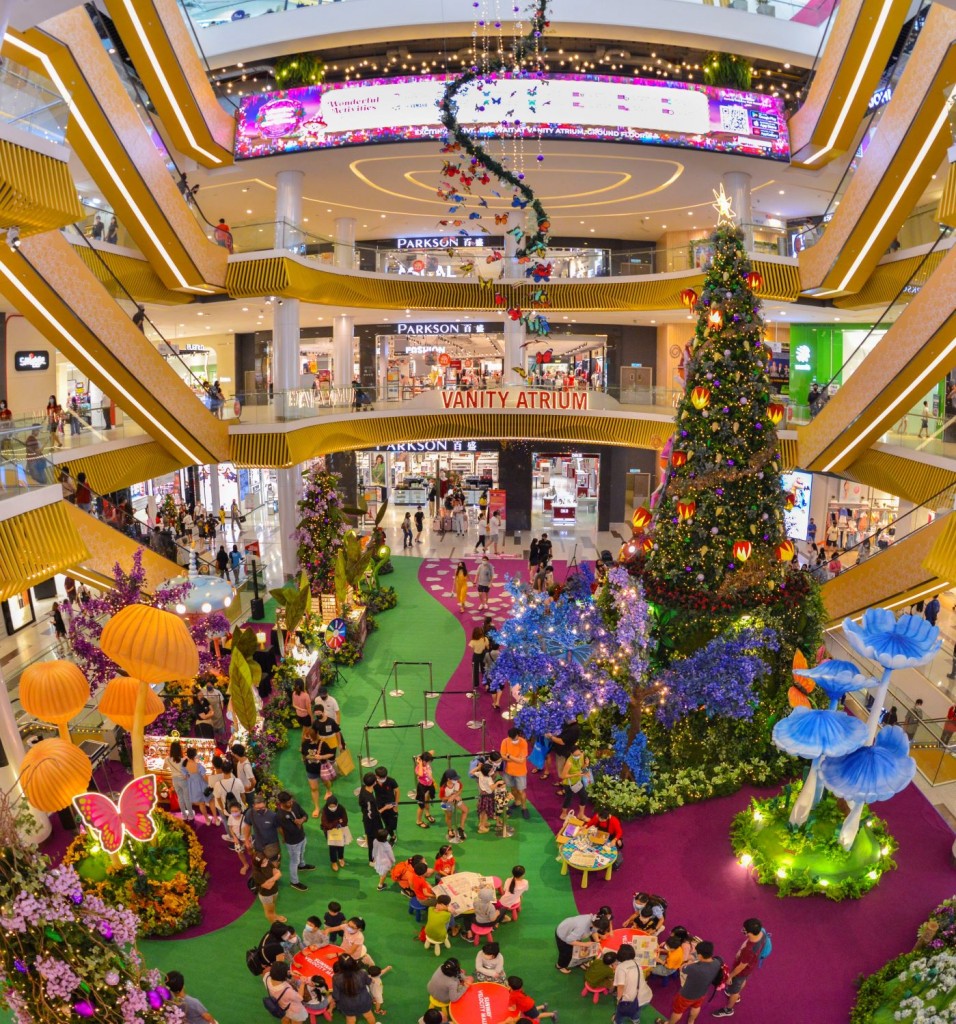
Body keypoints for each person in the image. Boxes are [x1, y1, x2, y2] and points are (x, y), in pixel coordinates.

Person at [712, 918, 769, 1017]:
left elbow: (741, 967)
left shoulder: (749, 950)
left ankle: (728, 1009)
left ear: (749, 932)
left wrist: (730, 976)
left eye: (745, 929)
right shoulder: (762, 933)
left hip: (742, 970)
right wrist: (740, 949)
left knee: (735, 988)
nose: (743, 929)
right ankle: (736, 993)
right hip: (751, 967)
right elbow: (748, 941)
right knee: (743, 980)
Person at [667, 940, 721, 1024]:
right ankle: (691, 1021)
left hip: (686, 995)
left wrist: (688, 962)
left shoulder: (694, 968)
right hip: (702, 993)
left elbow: (682, 968)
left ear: (700, 955)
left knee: (677, 1011)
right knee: (696, 1007)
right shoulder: (717, 962)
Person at [277, 791, 315, 892]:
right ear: (282, 803)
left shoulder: (294, 804)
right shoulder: (281, 815)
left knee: (302, 853)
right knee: (294, 861)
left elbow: (305, 815)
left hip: (302, 836)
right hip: (293, 842)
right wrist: (299, 823)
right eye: (288, 802)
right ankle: (294, 882)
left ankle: (302, 866)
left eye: (291, 800)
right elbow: (291, 830)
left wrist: (301, 820)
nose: (291, 803)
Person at [554, 909, 612, 973]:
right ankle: (560, 966)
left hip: (574, 934)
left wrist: (597, 942)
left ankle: (578, 963)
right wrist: (585, 944)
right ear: (597, 926)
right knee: (566, 953)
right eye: (600, 929)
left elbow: (594, 931)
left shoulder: (594, 920)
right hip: (563, 935)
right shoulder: (581, 928)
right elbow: (569, 941)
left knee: (578, 950)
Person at [612, 944, 651, 1024]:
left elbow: (621, 986)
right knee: (637, 1010)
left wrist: (618, 999)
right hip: (646, 996)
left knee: (620, 1013)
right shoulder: (637, 962)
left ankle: (617, 1021)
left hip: (629, 1000)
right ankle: (635, 1020)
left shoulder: (620, 968)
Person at [500, 727, 530, 819]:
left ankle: (524, 808)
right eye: (511, 738)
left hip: (520, 772)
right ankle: (517, 802)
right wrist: (514, 758)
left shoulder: (523, 742)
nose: (512, 740)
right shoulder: (505, 741)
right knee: (513, 789)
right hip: (508, 771)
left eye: (514, 738)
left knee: (521, 791)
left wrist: (509, 756)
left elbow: (522, 761)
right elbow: (502, 756)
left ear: (518, 735)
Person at [243, 792, 281, 860]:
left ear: (265, 804)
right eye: (258, 809)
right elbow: (247, 826)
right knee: (259, 862)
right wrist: (246, 840)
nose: (260, 810)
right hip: (258, 845)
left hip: (272, 845)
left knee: (274, 863)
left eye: (263, 808)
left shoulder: (273, 815)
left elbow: (279, 828)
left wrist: (284, 837)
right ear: (253, 805)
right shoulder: (250, 813)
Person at [251, 851, 284, 924]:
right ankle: (274, 924)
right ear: (258, 864)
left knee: (273, 906)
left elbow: (279, 873)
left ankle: (275, 916)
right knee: (269, 912)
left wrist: (271, 879)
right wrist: (275, 876)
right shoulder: (256, 873)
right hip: (266, 895)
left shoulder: (268, 863)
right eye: (263, 863)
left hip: (274, 890)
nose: (266, 863)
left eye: (266, 860)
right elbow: (268, 886)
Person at [359, 773, 385, 862]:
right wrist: (384, 808)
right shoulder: (369, 799)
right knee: (372, 841)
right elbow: (372, 815)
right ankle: (372, 859)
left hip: (367, 817)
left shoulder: (363, 788)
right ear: (374, 783)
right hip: (371, 822)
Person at [320, 794, 350, 872]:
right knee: (332, 847)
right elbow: (325, 824)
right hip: (329, 832)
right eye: (331, 806)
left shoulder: (341, 808)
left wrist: (338, 824)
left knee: (341, 845)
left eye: (334, 806)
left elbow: (345, 821)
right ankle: (334, 862)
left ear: (336, 804)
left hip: (340, 830)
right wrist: (337, 822)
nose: (332, 808)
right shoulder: (325, 810)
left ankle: (341, 858)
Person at [560, 742, 590, 817]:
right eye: (575, 755)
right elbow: (563, 776)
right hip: (569, 783)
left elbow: (581, 767)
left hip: (578, 781)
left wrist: (586, 764)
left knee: (584, 797)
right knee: (569, 798)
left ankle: (581, 814)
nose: (578, 756)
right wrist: (576, 774)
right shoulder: (569, 762)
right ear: (571, 754)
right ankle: (563, 814)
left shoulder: (581, 756)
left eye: (579, 754)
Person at [164, 740, 192, 821]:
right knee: (187, 798)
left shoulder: (168, 759)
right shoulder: (184, 759)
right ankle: (190, 815)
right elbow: (189, 770)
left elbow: (164, 767)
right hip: (183, 780)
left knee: (180, 797)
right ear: (180, 749)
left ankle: (183, 814)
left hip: (175, 780)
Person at [439, 767, 467, 842]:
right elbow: (442, 798)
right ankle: (450, 829)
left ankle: (461, 828)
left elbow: (460, 790)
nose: (456, 780)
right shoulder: (443, 788)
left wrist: (454, 796)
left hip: (456, 800)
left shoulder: (458, 783)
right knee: (449, 816)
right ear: (448, 779)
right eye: (454, 779)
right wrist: (450, 798)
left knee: (465, 810)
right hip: (447, 803)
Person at [373, 764, 400, 842]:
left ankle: (389, 835)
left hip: (391, 806)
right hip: (380, 806)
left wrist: (395, 806)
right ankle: (392, 836)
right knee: (385, 822)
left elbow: (397, 791)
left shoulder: (391, 781)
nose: (382, 779)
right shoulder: (374, 782)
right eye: (380, 778)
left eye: (383, 777)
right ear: (376, 776)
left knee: (392, 825)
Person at [415, 751, 437, 828]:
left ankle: (427, 814)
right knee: (422, 805)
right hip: (422, 787)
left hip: (429, 785)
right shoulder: (418, 768)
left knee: (427, 800)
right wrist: (419, 762)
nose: (429, 763)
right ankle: (418, 821)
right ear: (423, 761)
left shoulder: (426, 762)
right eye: (428, 762)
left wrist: (420, 757)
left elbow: (432, 751)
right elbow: (420, 774)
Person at [470, 626, 490, 690]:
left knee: (475, 670)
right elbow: (487, 647)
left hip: (476, 655)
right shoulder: (485, 639)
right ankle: (485, 683)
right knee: (484, 669)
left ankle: (476, 684)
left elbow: (472, 649)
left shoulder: (473, 641)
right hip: (483, 655)